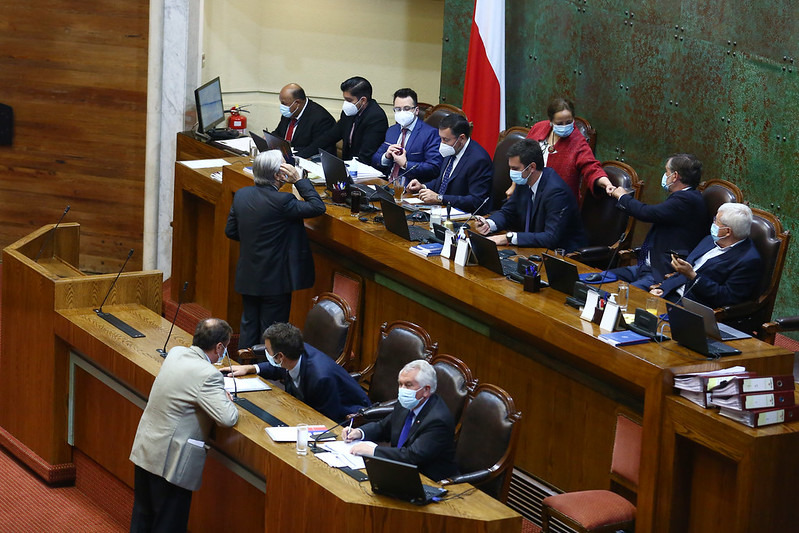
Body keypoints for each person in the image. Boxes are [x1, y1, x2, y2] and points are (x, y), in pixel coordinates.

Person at [129, 318, 239, 533]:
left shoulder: (177, 353)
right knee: (168, 524)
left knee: (143, 516)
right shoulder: (209, 375)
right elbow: (228, 418)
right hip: (170, 462)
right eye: (225, 348)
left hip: (147, 449)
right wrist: (224, 397)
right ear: (219, 347)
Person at [225, 150, 325, 349]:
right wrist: (298, 180)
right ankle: (265, 374)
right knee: (272, 331)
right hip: (275, 279)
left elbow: (231, 231)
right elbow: (317, 207)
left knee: (249, 325)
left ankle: (243, 367)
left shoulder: (242, 194)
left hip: (248, 274)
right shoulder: (284, 202)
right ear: (279, 175)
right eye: (284, 165)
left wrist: (254, 241)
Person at [225, 323, 370, 422]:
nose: (266, 353)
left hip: (347, 415)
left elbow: (327, 419)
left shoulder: (321, 378)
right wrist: (251, 368)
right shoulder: (295, 352)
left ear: (280, 356)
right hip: (306, 409)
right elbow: (279, 368)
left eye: (267, 351)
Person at [342, 360, 457, 482]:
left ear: (426, 390)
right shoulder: (406, 404)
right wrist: (359, 432)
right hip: (400, 471)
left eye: (408, 385)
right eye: (400, 384)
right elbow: (383, 427)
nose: (402, 390)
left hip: (429, 480)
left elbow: (412, 456)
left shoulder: (438, 420)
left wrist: (374, 451)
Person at [608, 153, 709, 290]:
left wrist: (622, 197)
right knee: (599, 279)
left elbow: (647, 213)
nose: (665, 176)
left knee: (623, 295)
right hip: (644, 267)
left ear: (675, 176)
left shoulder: (686, 200)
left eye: (667, 171)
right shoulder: (683, 197)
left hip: (660, 273)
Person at [474, 139, 587, 251]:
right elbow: (508, 212)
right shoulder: (524, 181)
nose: (512, 173)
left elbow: (550, 237)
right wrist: (489, 224)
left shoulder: (556, 192)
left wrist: (508, 238)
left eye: (515, 168)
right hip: (532, 248)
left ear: (532, 167)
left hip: (562, 255)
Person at [651, 203, 763, 308]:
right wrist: (664, 288)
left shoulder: (748, 260)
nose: (713, 223)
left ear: (727, 231)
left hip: (692, 307)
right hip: (671, 293)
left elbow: (726, 296)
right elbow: (685, 272)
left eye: (716, 221)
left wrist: (693, 276)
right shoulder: (709, 240)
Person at [507, 97, 614, 201]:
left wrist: (606, 183)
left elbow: (591, 167)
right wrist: (514, 187)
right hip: (528, 196)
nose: (564, 126)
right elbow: (521, 160)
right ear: (551, 121)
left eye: (568, 122)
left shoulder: (577, 141)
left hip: (558, 203)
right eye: (559, 123)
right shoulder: (538, 128)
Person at [405, 113, 493, 214]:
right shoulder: (451, 149)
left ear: (462, 138)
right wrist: (423, 186)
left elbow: (476, 201)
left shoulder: (478, 160)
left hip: (465, 217)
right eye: (441, 138)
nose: (442, 143)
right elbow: (443, 182)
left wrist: (439, 198)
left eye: (446, 140)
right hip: (442, 210)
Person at [297, 76, 388, 162]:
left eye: (349, 100)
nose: (346, 104)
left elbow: (366, 155)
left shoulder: (376, 118)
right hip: (348, 165)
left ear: (363, 100)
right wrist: (300, 156)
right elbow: (329, 137)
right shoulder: (349, 112)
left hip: (365, 169)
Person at [371, 88, 442, 183]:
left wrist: (405, 164)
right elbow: (375, 159)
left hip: (410, 189)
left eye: (407, 109)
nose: (402, 112)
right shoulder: (392, 130)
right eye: (398, 109)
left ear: (416, 110)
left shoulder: (430, 133)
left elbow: (433, 168)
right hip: (387, 184)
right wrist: (386, 156)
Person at [271, 83, 336, 155]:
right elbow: (278, 133)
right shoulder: (290, 113)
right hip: (285, 156)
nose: (282, 106)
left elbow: (317, 149)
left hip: (306, 160)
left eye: (284, 103)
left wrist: (291, 152)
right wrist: (269, 139)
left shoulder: (321, 119)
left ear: (297, 103)